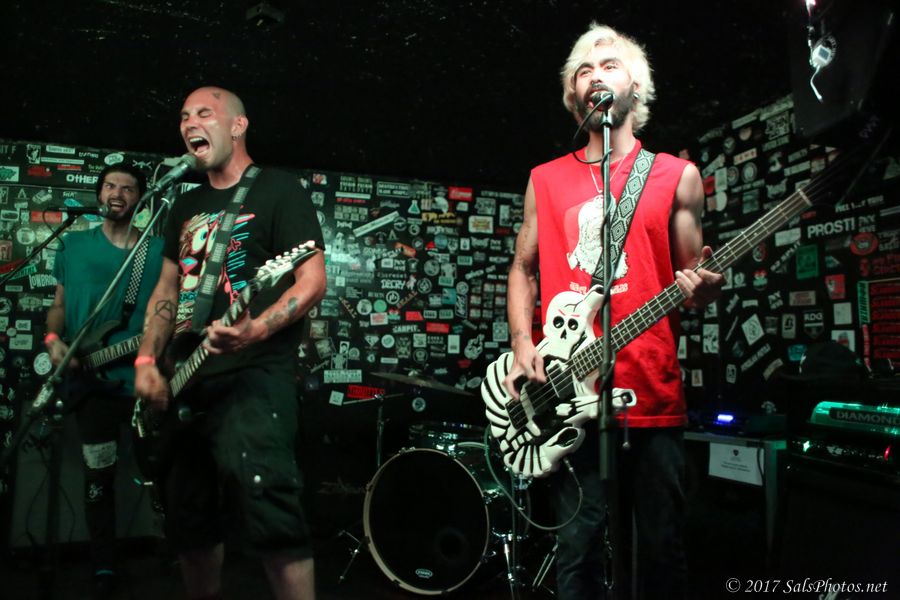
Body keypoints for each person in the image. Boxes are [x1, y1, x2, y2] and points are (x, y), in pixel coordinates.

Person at [502, 24, 724, 599]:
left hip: (651, 395)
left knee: (660, 557)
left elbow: (692, 279)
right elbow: (523, 269)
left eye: (610, 65)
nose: (595, 76)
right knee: (575, 558)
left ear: (636, 87)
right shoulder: (544, 180)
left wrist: (702, 290)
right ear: (573, 95)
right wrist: (523, 344)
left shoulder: (677, 176)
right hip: (569, 399)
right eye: (584, 71)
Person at [134, 86, 326, 600]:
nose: (189, 123)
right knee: (190, 520)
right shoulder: (184, 203)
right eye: (183, 116)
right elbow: (167, 290)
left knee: (272, 509)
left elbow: (312, 281)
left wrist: (255, 329)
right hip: (184, 379)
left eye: (204, 113)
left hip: (253, 376)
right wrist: (148, 358)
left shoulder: (278, 190)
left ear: (238, 126)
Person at [45, 163, 164, 598]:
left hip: (143, 383)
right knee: (98, 480)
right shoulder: (74, 245)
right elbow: (59, 305)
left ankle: (177, 554)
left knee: (163, 472)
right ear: (99, 194)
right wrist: (53, 339)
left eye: (128, 188)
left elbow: (171, 309)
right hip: (90, 387)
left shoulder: (156, 251)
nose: (117, 193)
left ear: (140, 199)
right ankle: (103, 564)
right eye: (110, 185)